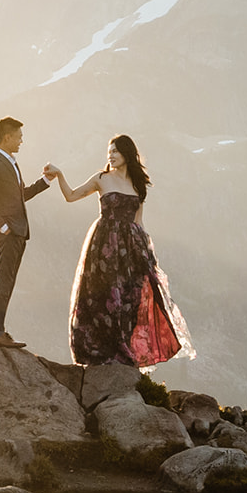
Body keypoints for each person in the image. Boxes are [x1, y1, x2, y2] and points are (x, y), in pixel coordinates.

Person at [45, 135, 195, 368]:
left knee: (131, 297)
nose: (111, 155)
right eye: (109, 151)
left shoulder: (138, 185)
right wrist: (60, 175)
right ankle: (100, 352)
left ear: (127, 153)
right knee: (103, 297)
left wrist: (147, 251)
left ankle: (124, 350)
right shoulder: (102, 179)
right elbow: (71, 196)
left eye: (115, 151)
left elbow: (139, 221)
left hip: (131, 248)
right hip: (104, 246)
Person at [0, 117, 53, 349]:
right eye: (19, 137)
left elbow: (21, 196)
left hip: (19, 232)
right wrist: (2, 227)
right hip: (9, 233)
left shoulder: (11, 163)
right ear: (7, 137)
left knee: (7, 281)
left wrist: (45, 181)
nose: (22, 141)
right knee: (4, 280)